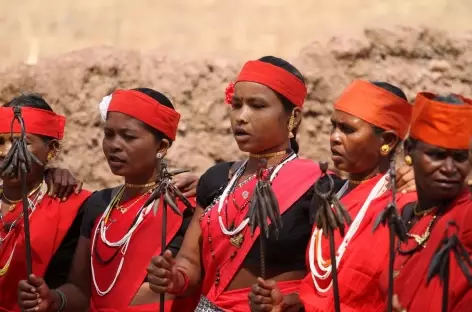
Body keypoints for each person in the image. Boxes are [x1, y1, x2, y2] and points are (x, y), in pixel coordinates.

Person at [146, 60, 415, 312]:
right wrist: (174, 279)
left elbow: (333, 273)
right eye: (236, 105)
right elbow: (190, 263)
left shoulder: (322, 187)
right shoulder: (215, 179)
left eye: (257, 106)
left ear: (293, 118)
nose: (241, 116)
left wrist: (411, 177)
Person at [17, 88, 199, 312]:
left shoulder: (187, 205)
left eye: (128, 136)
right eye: (109, 134)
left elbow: (193, 279)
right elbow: (80, 290)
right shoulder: (98, 204)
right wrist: (54, 299)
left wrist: (174, 280)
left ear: (161, 147)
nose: (114, 145)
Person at [249, 80, 418, 311]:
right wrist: (291, 303)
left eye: (348, 130)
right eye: (334, 127)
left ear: (386, 141)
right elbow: (323, 286)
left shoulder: (403, 205)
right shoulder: (331, 194)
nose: (334, 137)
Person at [0, 93, 91, 311]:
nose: (5, 152)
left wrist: (53, 299)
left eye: (21, 142)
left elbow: (81, 291)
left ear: (51, 150)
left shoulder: (75, 207)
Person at [383, 92, 472, 312]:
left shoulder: (466, 217)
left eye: (460, 158)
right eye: (437, 155)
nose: (450, 169)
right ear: (410, 150)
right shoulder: (405, 216)